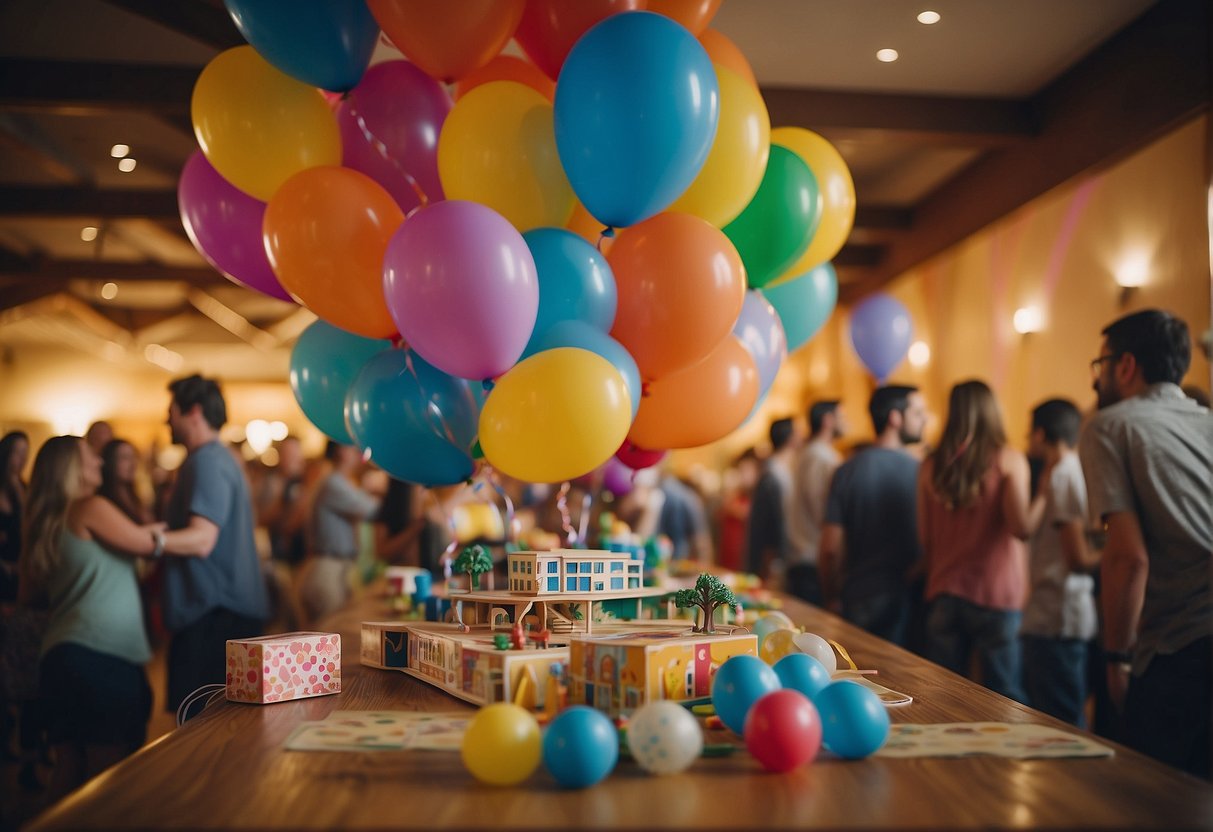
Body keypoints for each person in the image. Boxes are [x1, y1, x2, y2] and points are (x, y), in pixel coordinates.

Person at [17, 436, 208, 800]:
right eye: (91, 458)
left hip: (60, 656)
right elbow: (142, 543)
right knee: (110, 780)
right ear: (71, 467)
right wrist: (189, 535)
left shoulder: (43, 521)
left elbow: (31, 595)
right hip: (100, 656)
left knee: (68, 771)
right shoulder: (89, 506)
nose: (99, 465)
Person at [1080, 309, 1211, 779]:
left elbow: (1128, 557)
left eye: (1101, 365)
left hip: (1181, 646)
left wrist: (1117, 657)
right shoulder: (1206, 421)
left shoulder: (1111, 426)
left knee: (1151, 795)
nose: (1097, 380)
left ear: (1126, 366)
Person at [918, 380, 1031, 703]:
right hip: (997, 593)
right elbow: (1021, 527)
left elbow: (924, 537)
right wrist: (1046, 495)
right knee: (1004, 695)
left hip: (945, 589)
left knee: (942, 695)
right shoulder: (1009, 460)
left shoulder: (930, 466)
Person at [162, 375, 269, 714]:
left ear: (193, 412)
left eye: (171, 411)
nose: (167, 419)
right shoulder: (220, 459)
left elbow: (202, 540)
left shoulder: (206, 461)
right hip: (224, 612)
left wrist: (149, 541)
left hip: (213, 616)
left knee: (199, 735)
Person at [819, 386, 926, 647]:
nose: (925, 420)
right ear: (894, 418)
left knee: (861, 677)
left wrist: (831, 596)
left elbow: (830, 548)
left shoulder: (846, 471)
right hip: (909, 598)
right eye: (918, 413)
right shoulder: (923, 474)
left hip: (858, 595)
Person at [1020, 398, 1099, 726]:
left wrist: (1117, 553)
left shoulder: (1065, 474)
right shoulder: (1061, 472)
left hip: (1059, 615)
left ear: (1041, 434)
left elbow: (1077, 557)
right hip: (1053, 612)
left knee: (1060, 721)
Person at [299, 441, 380, 625]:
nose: (359, 452)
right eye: (353, 447)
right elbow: (373, 510)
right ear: (342, 451)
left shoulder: (338, 481)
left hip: (333, 567)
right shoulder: (333, 482)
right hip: (328, 568)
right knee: (330, 634)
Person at [787, 400, 846, 605]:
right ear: (828, 420)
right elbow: (823, 511)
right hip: (812, 558)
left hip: (808, 557)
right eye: (842, 416)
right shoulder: (819, 456)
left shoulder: (813, 453)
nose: (847, 422)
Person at [746, 418, 798, 585]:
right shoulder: (773, 475)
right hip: (773, 560)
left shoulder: (779, 469)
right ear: (790, 438)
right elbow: (769, 523)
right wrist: (770, 562)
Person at [715, 448, 759, 572]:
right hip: (727, 553)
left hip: (742, 553)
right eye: (741, 470)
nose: (743, 475)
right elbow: (720, 514)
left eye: (746, 471)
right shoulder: (735, 494)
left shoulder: (755, 496)